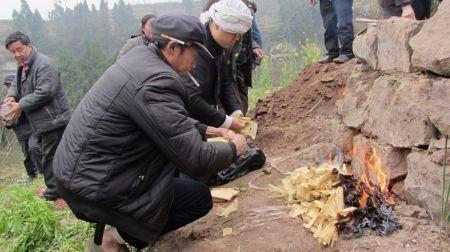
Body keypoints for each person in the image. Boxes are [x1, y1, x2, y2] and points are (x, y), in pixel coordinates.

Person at [53, 14, 247, 250]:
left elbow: (163, 121)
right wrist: (234, 148)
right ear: (174, 47)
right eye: (195, 53)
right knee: (198, 198)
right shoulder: (156, 82)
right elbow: (195, 160)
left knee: (170, 174)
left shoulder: (141, 58)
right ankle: (117, 237)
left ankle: (114, 226)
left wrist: (208, 130)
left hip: (83, 173)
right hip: (95, 186)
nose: (196, 63)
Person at [3, 32, 71, 201]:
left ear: (29, 46)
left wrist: (20, 105)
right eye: (13, 52)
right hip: (40, 121)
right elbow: (16, 86)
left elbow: (46, 92)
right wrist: (11, 97)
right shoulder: (24, 65)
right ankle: (58, 188)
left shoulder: (44, 64)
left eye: (19, 49)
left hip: (53, 119)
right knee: (41, 153)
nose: (17, 54)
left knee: (51, 156)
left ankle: (54, 193)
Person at [190, 0, 253, 130]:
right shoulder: (194, 50)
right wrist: (226, 121)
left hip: (205, 118)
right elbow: (191, 99)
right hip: (188, 123)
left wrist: (236, 112)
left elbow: (226, 81)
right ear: (217, 24)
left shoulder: (221, 46)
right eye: (233, 33)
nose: (237, 39)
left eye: (239, 35)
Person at [2, 75, 41, 182]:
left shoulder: (24, 98)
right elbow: (7, 123)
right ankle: (32, 175)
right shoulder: (4, 103)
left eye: (11, 85)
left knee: (34, 148)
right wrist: (7, 122)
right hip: (20, 133)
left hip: (32, 129)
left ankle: (41, 173)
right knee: (26, 156)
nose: (9, 88)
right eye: (7, 86)